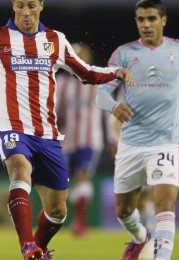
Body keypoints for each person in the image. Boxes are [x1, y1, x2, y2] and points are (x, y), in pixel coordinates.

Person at [0, 0, 134, 260]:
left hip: (47, 134)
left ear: (41, 5)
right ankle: (27, 245)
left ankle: (39, 251)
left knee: (58, 210)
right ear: (13, 5)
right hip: (11, 128)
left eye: (31, 5)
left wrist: (115, 72)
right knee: (20, 172)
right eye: (20, 6)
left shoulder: (55, 40)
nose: (25, 12)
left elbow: (85, 73)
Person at [96, 0, 179, 260]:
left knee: (164, 203)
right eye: (141, 19)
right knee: (123, 210)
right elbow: (101, 93)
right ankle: (139, 237)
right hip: (131, 143)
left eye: (151, 19)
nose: (146, 24)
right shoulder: (123, 54)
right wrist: (113, 105)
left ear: (163, 20)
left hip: (166, 142)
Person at [55, 42, 106, 237]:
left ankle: (80, 222)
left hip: (90, 139)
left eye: (81, 56)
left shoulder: (97, 82)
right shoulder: (61, 83)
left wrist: (111, 139)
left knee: (83, 175)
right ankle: (72, 218)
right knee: (67, 183)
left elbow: (106, 113)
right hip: (67, 141)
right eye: (74, 57)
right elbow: (54, 112)